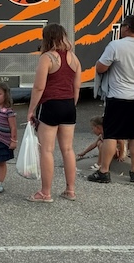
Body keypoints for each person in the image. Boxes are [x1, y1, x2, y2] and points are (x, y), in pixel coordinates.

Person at [87, 15, 134, 184]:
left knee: (111, 134)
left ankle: (104, 171)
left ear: (126, 27)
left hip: (117, 97)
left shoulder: (115, 46)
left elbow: (101, 67)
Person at [27, 23, 81, 201]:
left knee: (47, 150)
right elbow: (76, 86)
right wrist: (71, 104)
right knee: (67, 149)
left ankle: (45, 192)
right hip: (68, 106)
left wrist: (31, 110)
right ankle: (70, 190)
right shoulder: (74, 58)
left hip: (50, 105)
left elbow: (38, 87)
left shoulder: (47, 58)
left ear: (46, 38)